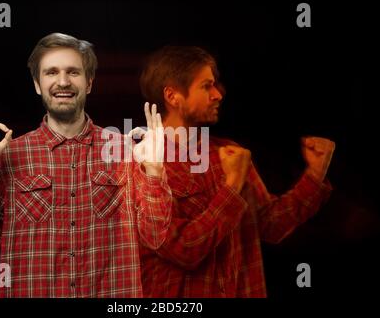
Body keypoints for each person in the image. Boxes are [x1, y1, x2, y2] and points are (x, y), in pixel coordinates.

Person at [0, 33, 171, 298]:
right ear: (37, 83)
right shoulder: (9, 155)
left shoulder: (128, 151)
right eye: (51, 72)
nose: (62, 81)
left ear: (89, 82)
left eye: (73, 72)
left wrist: (154, 170)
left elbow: (154, 238)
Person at [138, 45, 335, 297]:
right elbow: (183, 249)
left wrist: (315, 174)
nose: (218, 94)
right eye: (206, 86)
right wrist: (231, 187)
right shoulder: (144, 164)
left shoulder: (231, 153)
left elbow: (270, 225)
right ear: (173, 96)